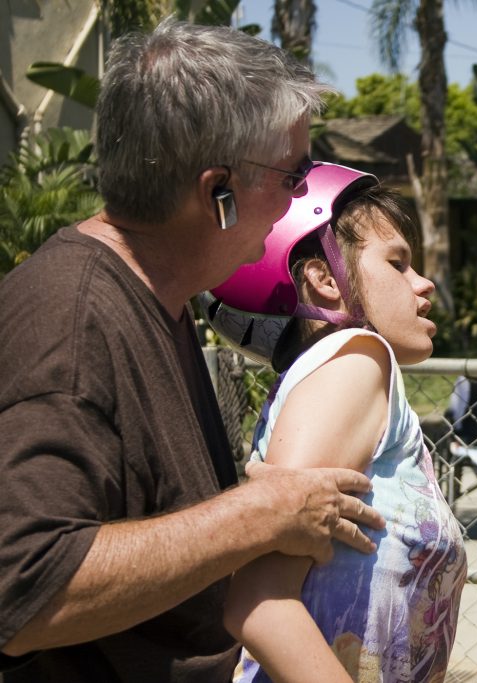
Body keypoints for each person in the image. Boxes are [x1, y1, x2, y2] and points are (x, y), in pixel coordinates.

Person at [0, 21, 385, 683]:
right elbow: (25, 588)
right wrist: (257, 515)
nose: (300, 199)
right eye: (294, 174)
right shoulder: (71, 318)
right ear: (218, 193)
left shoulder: (163, 301)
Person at [204, 163, 466, 682]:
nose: (424, 283)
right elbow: (261, 602)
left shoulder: (345, 375)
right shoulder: (357, 357)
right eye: (398, 263)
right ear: (324, 279)